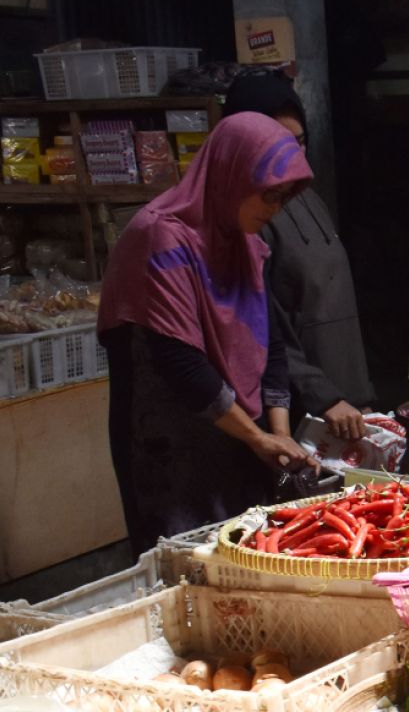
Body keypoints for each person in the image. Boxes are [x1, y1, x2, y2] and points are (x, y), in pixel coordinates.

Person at [100, 113, 319, 554]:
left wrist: (280, 433)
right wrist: (258, 439)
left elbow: (269, 342)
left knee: (246, 551)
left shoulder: (245, 244)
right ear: (230, 174)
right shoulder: (161, 237)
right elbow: (178, 361)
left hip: (232, 431)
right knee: (187, 560)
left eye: (282, 199)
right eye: (268, 195)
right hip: (166, 441)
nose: (272, 209)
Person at [223, 71, 376, 441]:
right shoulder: (249, 217)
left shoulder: (308, 198)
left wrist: (359, 397)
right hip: (295, 414)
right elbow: (259, 330)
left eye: (300, 141)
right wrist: (323, 398)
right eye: (277, 142)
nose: (291, 154)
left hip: (346, 406)